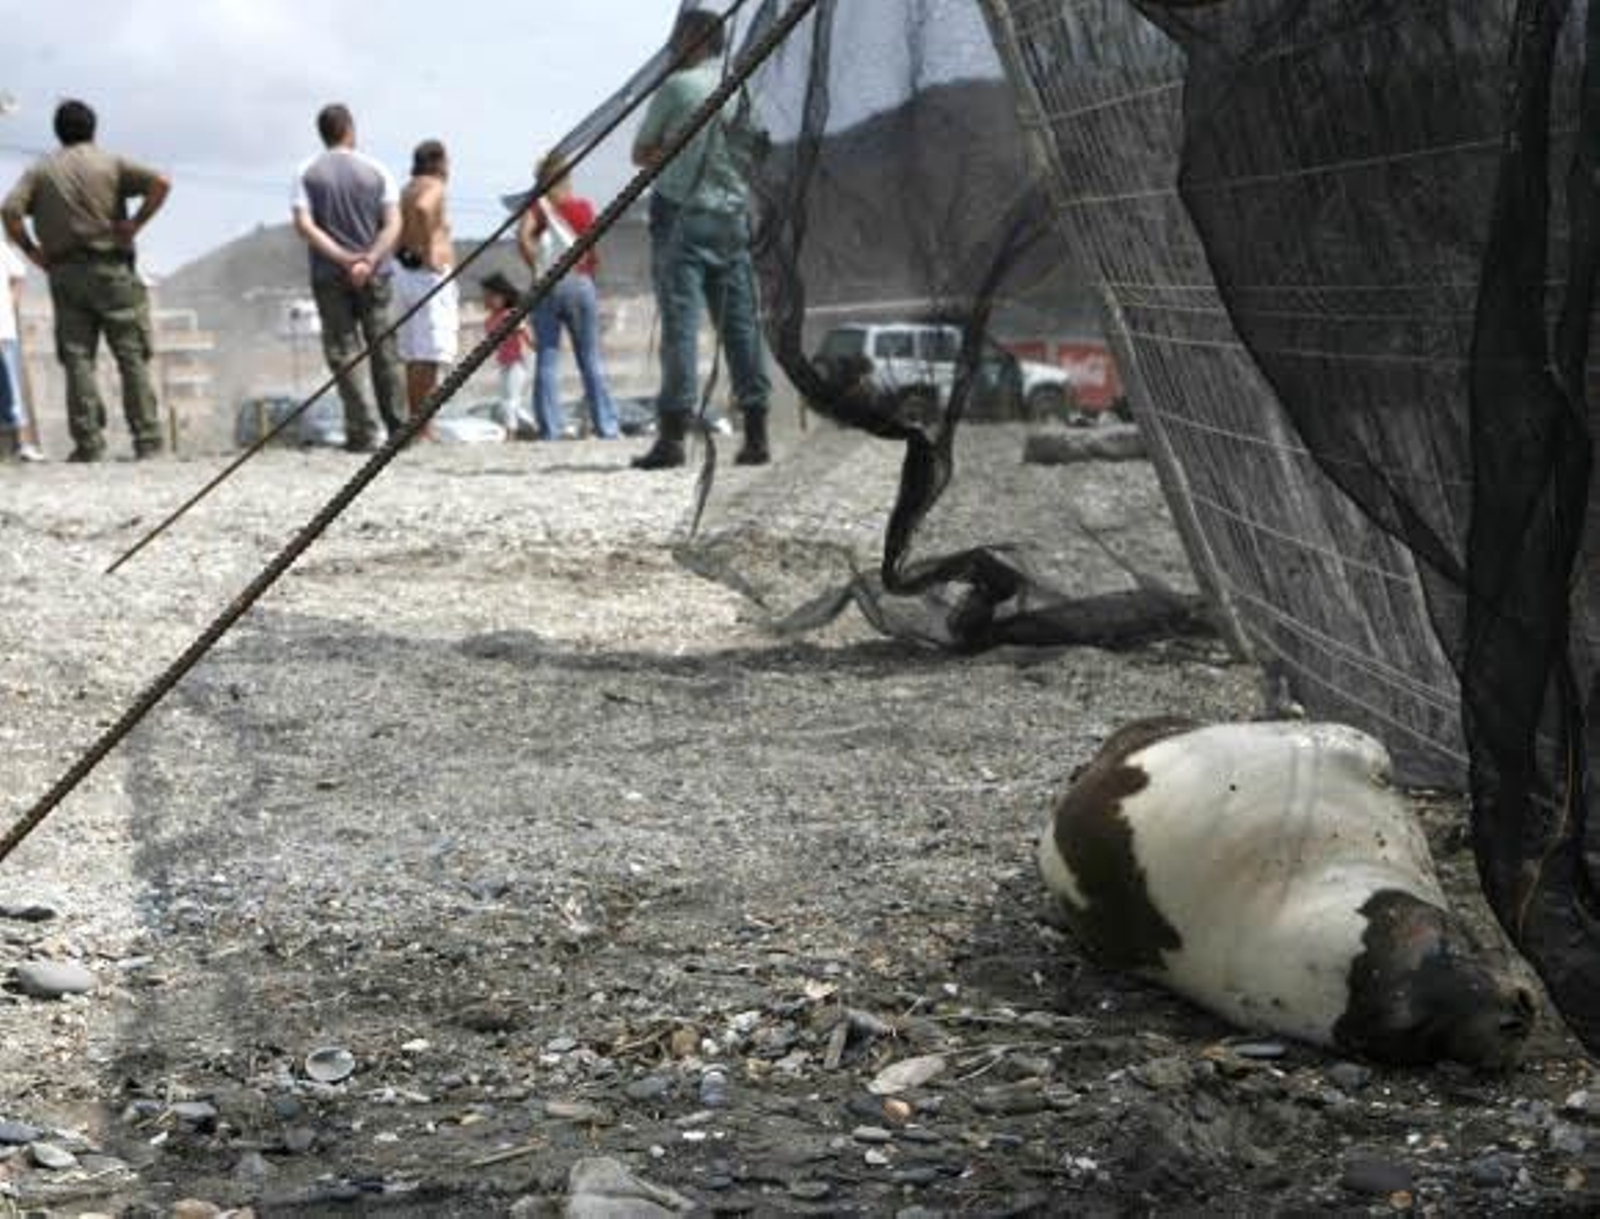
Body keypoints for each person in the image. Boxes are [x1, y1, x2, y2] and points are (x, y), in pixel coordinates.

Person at [630, 10, 772, 469]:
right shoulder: (741, 85)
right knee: (740, 326)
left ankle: (673, 437)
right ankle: (756, 434)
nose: (672, 44)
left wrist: (676, 152)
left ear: (694, 40)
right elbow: (759, 148)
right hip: (731, 217)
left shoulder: (678, 87)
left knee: (681, 325)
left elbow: (641, 152)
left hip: (680, 216)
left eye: (678, 36)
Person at [1, 99, 169, 462]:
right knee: (130, 355)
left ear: (58, 131)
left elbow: (10, 210)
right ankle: (148, 439)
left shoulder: (41, 171)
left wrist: (33, 253)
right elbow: (161, 181)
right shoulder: (111, 163)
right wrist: (135, 223)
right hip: (112, 269)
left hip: (65, 272)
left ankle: (89, 443)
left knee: (78, 358)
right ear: (93, 128)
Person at [291, 104, 406, 452]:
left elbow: (304, 225)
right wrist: (368, 259)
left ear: (321, 132)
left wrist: (342, 259)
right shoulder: (377, 170)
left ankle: (363, 430)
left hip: (329, 275)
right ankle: (399, 427)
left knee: (344, 353)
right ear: (350, 129)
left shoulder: (306, 172)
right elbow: (393, 223)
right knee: (384, 349)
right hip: (375, 274)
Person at [516, 153, 620, 441]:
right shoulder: (583, 207)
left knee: (547, 359)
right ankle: (606, 426)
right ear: (567, 177)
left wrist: (536, 267)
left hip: (548, 286)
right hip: (580, 282)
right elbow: (592, 249)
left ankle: (550, 428)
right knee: (590, 357)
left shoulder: (537, 208)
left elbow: (522, 237)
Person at [393, 139, 458, 420]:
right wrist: (428, 246)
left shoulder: (406, 188)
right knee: (430, 353)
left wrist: (407, 248)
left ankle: (414, 420)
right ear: (439, 162)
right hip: (428, 274)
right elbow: (423, 208)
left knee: (412, 354)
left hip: (403, 271)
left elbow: (397, 221)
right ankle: (424, 425)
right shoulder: (434, 186)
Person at [0, 238, 44, 462]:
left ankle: (20, 445)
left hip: (2, 333)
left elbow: (18, 274)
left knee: (10, 393)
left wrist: (8, 306)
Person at [481, 272, 536, 439]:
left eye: (491, 296)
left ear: (503, 297)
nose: (487, 300)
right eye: (485, 297)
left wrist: (536, 351)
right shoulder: (489, 320)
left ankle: (510, 432)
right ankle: (533, 426)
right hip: (505, 363)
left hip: (520, 362)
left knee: (510, 398)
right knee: (508, 398)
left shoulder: (511, 315)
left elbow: (526, 334)